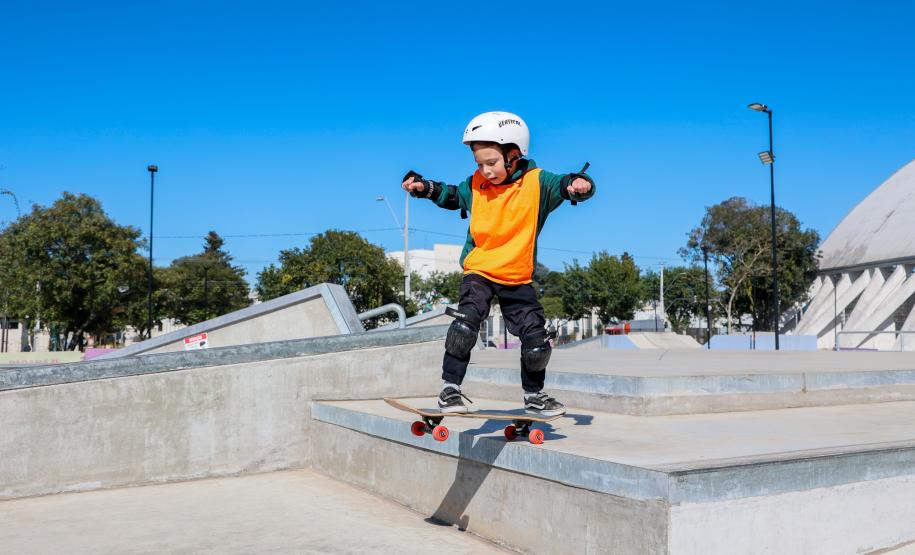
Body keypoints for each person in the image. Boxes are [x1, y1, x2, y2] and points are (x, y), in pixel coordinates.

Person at [401, 111, 596, 416]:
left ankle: (535, 396)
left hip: (517, 275)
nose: (485, 170)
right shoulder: (476, 185)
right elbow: (451, 195)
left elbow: (566, 184)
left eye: (491, 163)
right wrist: (424, 187)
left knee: (536, 340)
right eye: (479, 164)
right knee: (466, 323)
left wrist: (580, 185)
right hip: (479, 270)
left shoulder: (537, 182)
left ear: (514, 155)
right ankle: (449, 390)